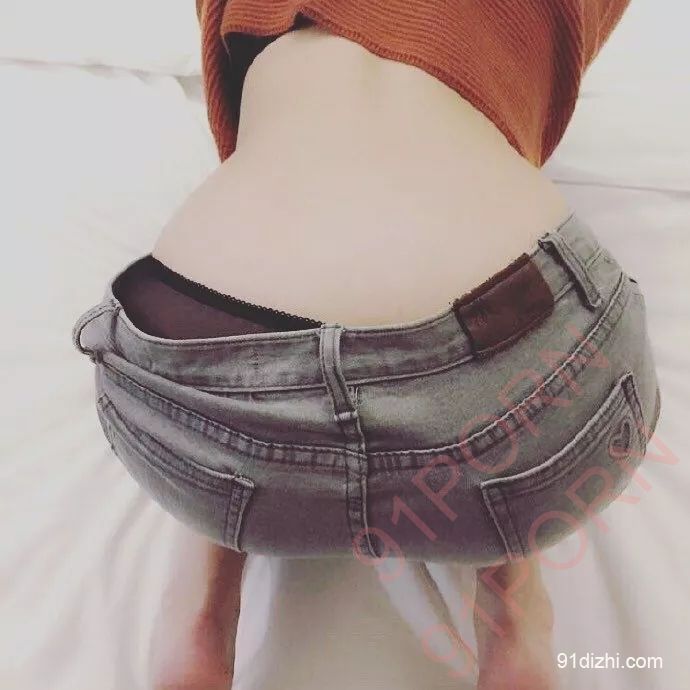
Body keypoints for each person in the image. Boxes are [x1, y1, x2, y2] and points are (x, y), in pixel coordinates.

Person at [71, 2, 662, 689]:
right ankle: (512, 598)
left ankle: (203, 600)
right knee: (506, 316)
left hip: (207, 409)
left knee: (238, 341)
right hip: (525, 412)